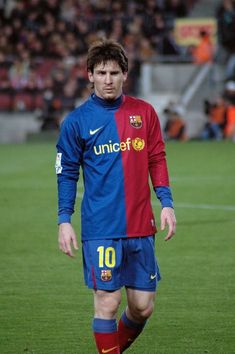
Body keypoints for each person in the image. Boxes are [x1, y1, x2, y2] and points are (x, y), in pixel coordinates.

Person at [55, 39, 176, 354]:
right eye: (101, 73)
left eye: (113, 72)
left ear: (125, 74)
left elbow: (157, 159)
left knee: (143, 307)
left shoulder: (144, 113)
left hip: (140, 225)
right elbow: (66, 173)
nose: (107, 79)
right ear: (90, 75)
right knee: (107, 301)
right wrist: (64, 220)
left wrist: (166, 203)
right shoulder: (77, 122)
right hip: (101, 228)